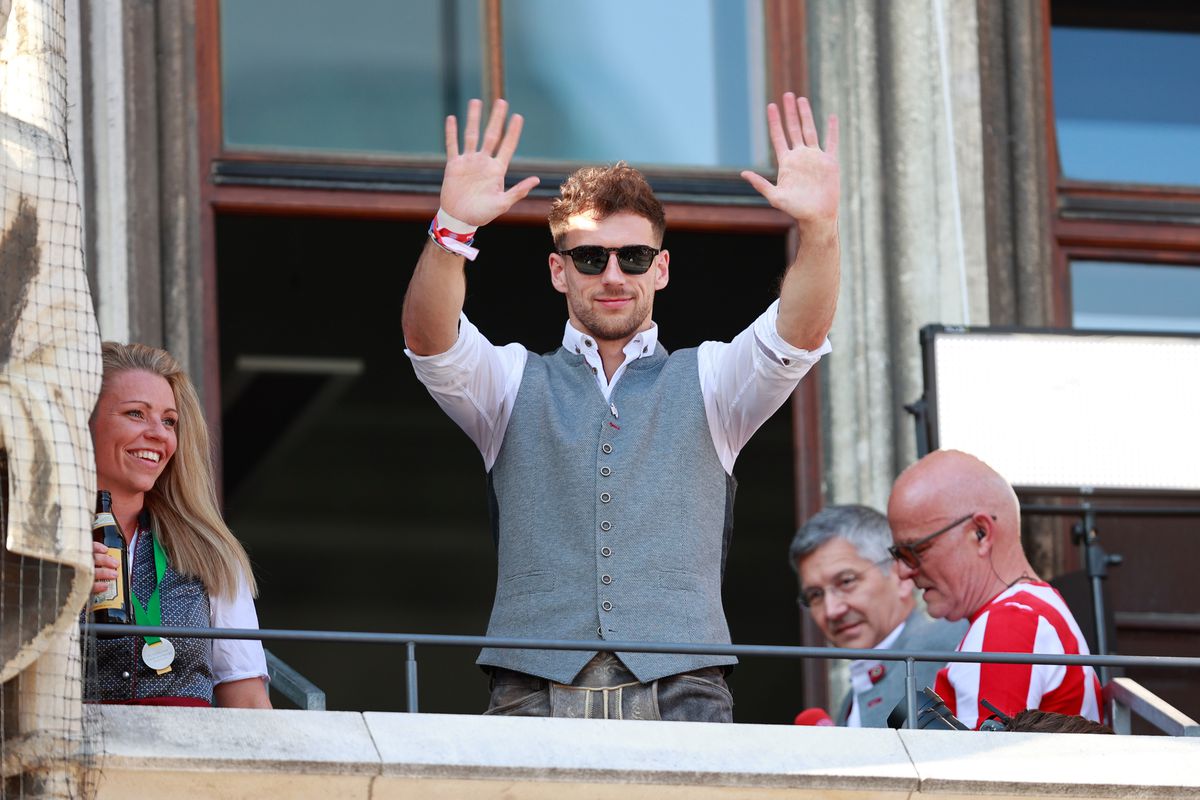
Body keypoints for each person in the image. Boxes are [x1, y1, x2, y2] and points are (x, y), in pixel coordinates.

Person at [402, 93, 840, 721]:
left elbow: (798, 333)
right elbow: (429, 340)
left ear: (660, 269)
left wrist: (820, 232)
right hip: (532, 685)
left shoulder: (711, 378)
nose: (612, 274)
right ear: (559, 271)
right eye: (590, 257)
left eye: (632, 257)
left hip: (681, 683)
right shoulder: (511, 379)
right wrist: (452, 228)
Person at [87, 342, 271, 708]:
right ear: (84, 422)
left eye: (169, 421)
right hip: (67, 758)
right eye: (136, 414)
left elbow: (247, 702)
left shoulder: (211, 551)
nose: (159, 433)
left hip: (185, 761)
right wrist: (51, 593)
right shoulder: (30, 546)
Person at [886, 449, 1102, 729]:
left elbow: (976, 770)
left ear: (981, 533)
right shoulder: (1026, 610)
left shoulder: (1009, 624)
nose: (903, 570)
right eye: (898, 554)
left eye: (914, 550)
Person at [789, 505, 965, 727]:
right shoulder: (850, 701)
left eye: (846, 581)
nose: (832, 610)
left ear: (900, 575)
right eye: (815, 595)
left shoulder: (954, 642)